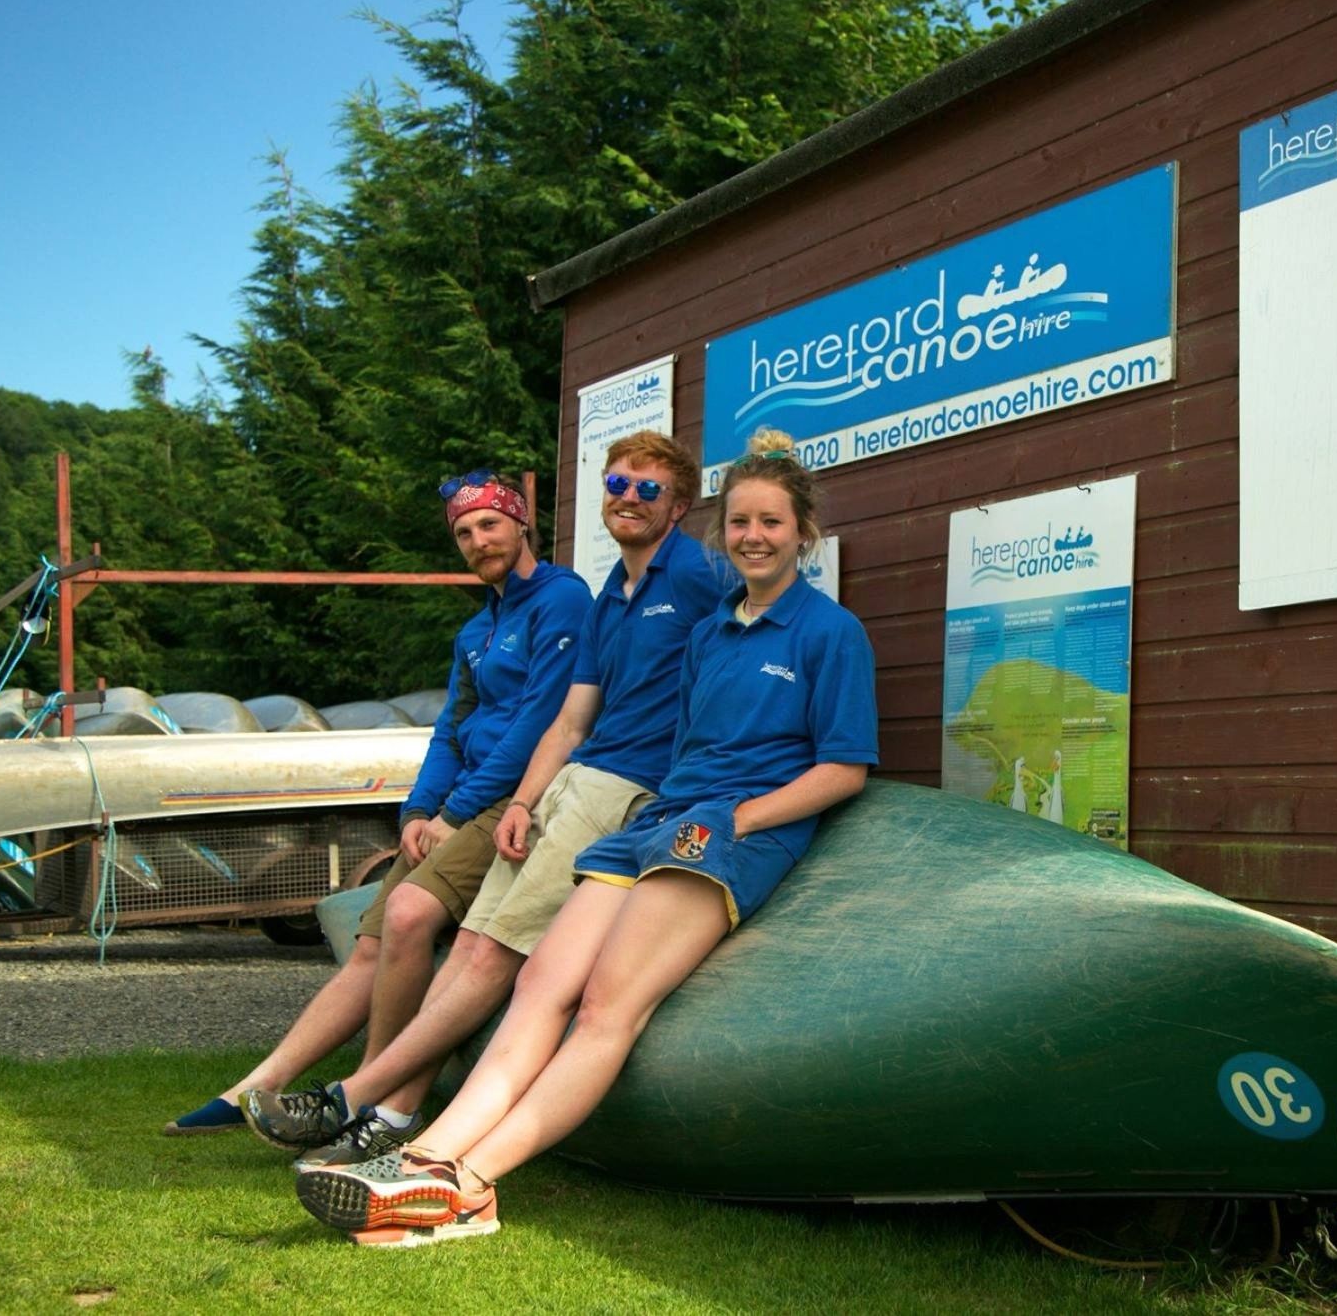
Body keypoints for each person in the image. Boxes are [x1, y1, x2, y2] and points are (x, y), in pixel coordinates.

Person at [294, 427, 879, 1247]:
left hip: (731, 834)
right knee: (541, 989)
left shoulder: (829, 631)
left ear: (803, 534)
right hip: (657, 823)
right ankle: (424, 1156)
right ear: (724, 530)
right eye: (741, 521)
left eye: (772, 524)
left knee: (607, 1005)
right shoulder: (711, 630)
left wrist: (734, 819)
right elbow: (669, 736)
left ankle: (471, 1184)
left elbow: (843, 769)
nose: (753, 536)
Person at [237, 431, 725, 1166]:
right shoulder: (607, 596)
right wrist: (525, 801)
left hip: (628, 789)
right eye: (618, 485)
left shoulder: (694, 575)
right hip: (569, 780)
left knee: (495, 952)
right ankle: (394, 1108)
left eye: (647, 488)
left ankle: (362, 1096)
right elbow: (568, 720)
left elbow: (756, 636)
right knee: (467, 943)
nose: (629, 498)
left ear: (679, 504)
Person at [165, 473, 590, 1142]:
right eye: (463, 533)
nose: (478, 541)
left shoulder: (561, 598)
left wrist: (456, 813)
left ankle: (363, 1097)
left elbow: (541, 721)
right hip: (461, 799)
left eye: (489, 525)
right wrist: (419, 810)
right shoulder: (478, 629)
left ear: (521, 524)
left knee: (410, 910)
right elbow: (452, 727)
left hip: (515, 796)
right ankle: (259, 1082)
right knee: (371, 943)